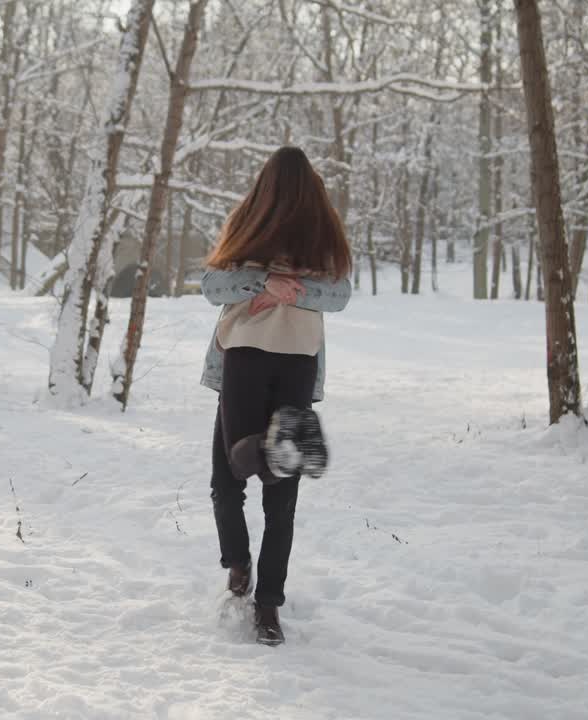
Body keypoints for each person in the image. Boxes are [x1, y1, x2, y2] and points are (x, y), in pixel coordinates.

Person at [199, 146, 352, 646]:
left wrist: (294, 289)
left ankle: (269, 604)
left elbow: (340, 294)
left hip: (295, 363)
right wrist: (261, 281)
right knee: (230, 478)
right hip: (242, 359)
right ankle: (239, 564)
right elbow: (212, 285)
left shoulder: (322, 233)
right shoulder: (247, 224)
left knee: (280, 496)